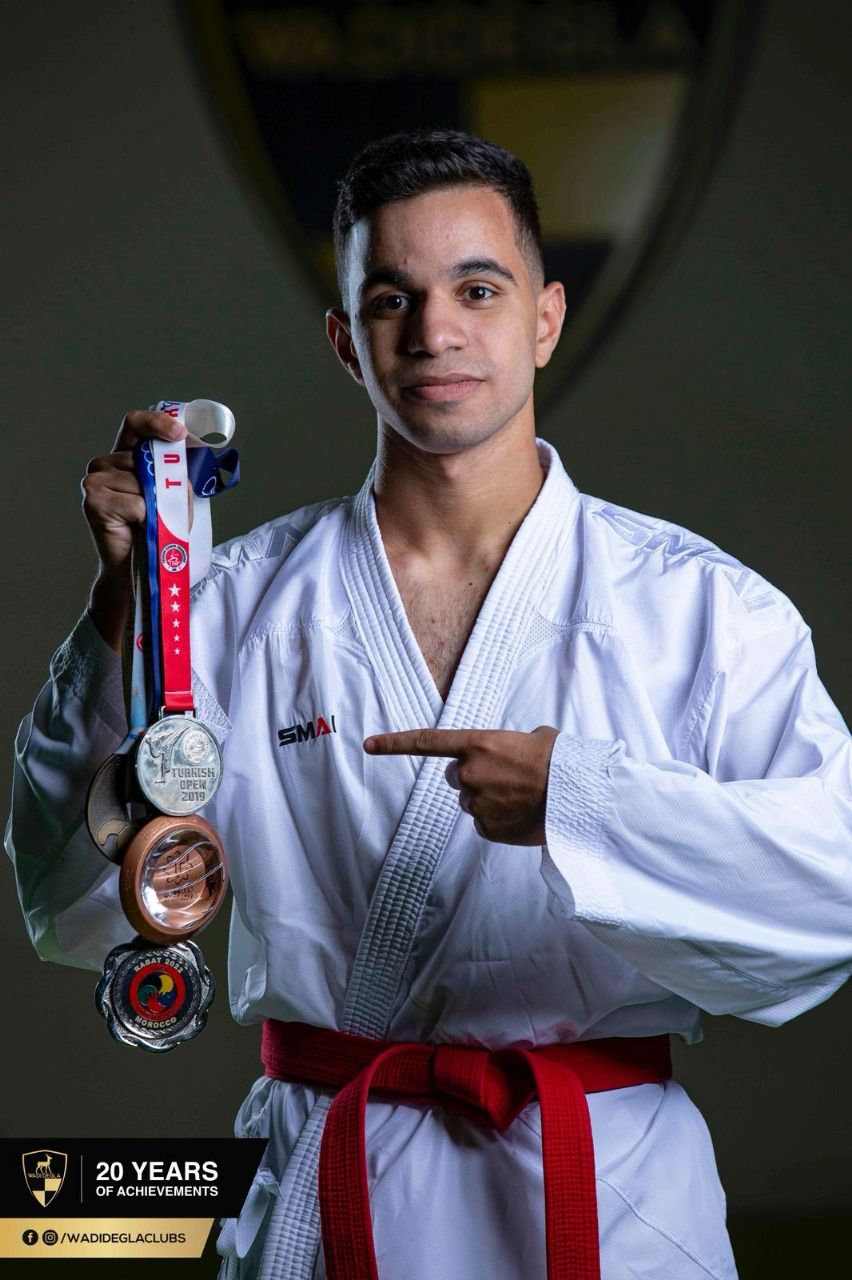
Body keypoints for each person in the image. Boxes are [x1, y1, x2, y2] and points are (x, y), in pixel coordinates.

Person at [6, 127, 852, 1280]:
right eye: (391, 298)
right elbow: (67, 906)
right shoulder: (228, 606)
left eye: (478, 289)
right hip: (329, 1188)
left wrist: (584, 801)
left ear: (544, 318)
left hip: (608, 1204)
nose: (435, 331)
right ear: (346, 343)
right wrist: (126, 602)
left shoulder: (701, 611)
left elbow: (833, 890)